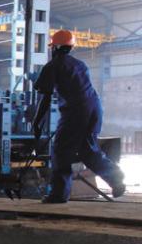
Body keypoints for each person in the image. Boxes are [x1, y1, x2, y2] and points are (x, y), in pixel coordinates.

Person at [32, 29, 125, 204]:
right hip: (95, 108)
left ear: (54, 47)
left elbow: (45, 98)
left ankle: (59, 194)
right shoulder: (80, 65)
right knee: (88, 150)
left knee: (61, 151)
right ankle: (116, 179)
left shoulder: (52, 66)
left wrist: (37, 122)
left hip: (76, 111)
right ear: (71, 47)